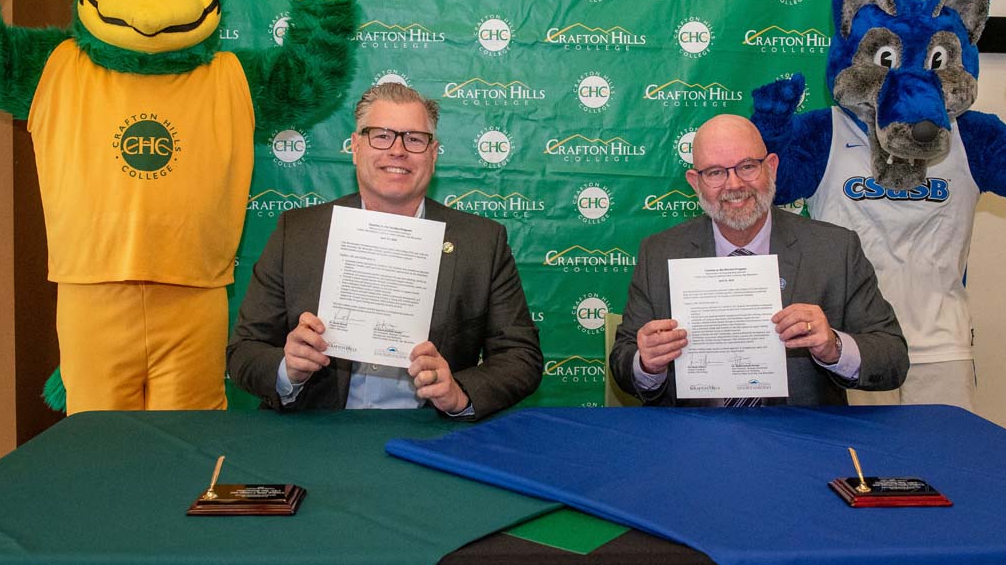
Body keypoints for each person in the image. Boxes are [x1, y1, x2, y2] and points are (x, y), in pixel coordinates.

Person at [227, 83, 542, 419]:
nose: (398, 151)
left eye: (414, 139)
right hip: (315, 432)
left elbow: (520, 356)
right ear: (355, 146)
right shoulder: (298, 232)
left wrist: (459, 393)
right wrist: (288, 369)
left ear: (433, 154)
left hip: (428, 436)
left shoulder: (482, 242)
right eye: (381, 135)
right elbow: (244, 351)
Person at [609, 114, 908, 406]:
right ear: (695, 182)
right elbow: (624, 361)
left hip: (804, 438)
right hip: (694, 437)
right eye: (715, 172)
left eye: (747, 166)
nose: (734, 184)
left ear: (772, 167)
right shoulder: (659, 253)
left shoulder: (835, 249)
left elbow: (893, 358)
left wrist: (834, 346)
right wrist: (647, 363)